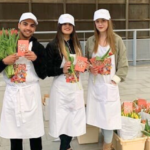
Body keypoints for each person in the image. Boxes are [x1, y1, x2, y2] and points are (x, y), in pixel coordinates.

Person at [0, 12, 47, 150]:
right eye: (25, 24)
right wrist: (4, 61)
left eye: (32, 25)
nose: (28, 28)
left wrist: (36, 59)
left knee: (35, 135)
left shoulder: (38, 48)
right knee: (15, 135)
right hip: (13, 94)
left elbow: (44, 74)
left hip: (31, 93)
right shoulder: (5, 44)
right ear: (19, 25)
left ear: (35, 29)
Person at [85, 9, 128, 150]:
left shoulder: (117, 40)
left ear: (108, 22)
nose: (100, 24)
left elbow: (123, 64)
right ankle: (106, 139)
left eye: (103, 21)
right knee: (99, 114)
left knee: (109, 116)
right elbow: (86, 61)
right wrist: (89, 68)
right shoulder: (91, 41)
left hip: (109, 84)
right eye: (97, 21)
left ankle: (107, 146)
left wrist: (114, 80)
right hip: (95, 84)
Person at [46, 14, 86, 150]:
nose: (67, 26)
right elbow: (47, 70)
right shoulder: (52, 45)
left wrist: (83, 67)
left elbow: (80, 63)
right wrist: (61, 70)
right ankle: (64, 147)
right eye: (64, 24)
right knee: (63, 119)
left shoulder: (77, 44)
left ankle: (67, 146)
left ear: (73, 27)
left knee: (73, 119)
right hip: (61, 89)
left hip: (75, 87)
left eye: (70, 24)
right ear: (60, 26)